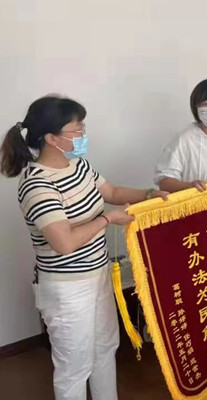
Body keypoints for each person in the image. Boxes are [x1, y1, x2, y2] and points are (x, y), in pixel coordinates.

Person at [0, 95, 168, 400]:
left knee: (105, 349)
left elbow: (112, 191)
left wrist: (149, 193)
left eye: (82, 127)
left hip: (98, 274)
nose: (83, 135)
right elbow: (63, 243)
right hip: (66, 289)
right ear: (52, 138)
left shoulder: (79, 166)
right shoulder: (37, 184)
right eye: (77, 129)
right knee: (73, 368)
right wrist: (108, 219)